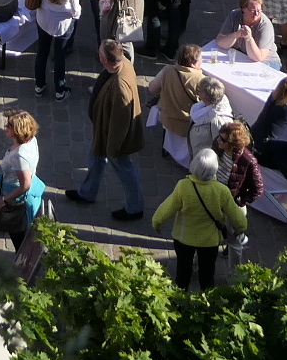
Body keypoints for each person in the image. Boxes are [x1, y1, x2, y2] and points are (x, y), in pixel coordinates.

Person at [69, 41, 147, 220]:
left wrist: (112, 148)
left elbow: (120, 123)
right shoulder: (123, 62)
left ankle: (135, 208)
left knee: (124, 168)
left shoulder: (120, 86)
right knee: (95, 158)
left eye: (100, 52)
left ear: (104, 59)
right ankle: (87, 192)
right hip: (103, 131)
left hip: (112, 138)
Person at [153, 148, 249, 293]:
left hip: (183, 238)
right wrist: (241, 228)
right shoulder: (221, 191)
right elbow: (237, 217)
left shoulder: (183, 186)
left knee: (182, 273)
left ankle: (179, 302)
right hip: (209, 242)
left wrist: (157, 222)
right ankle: (206, 302)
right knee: (207, 275)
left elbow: (168, 207)